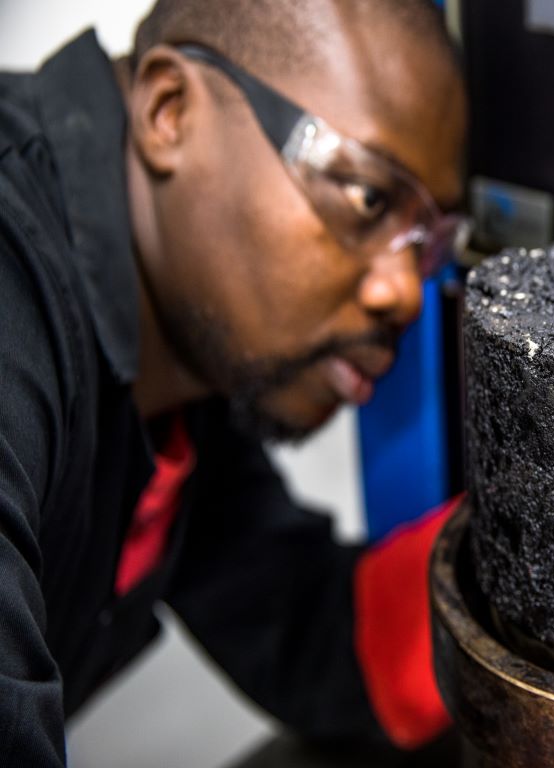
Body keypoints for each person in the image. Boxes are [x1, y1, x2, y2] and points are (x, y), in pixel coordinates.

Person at [0, 0, 467, 763]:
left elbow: (313, 633)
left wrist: (543, 550)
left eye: (426, 243)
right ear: (170, 112)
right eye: (367, 197)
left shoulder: (179, 387)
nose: (405, 292)